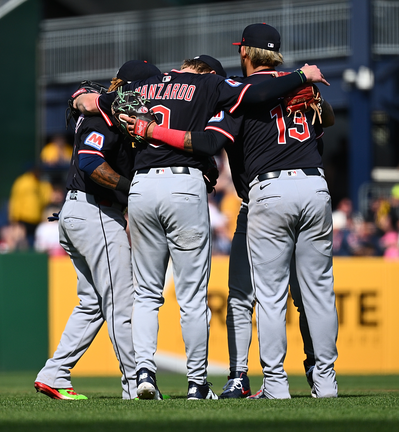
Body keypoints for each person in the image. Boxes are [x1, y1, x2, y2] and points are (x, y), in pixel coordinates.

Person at [72, 48, 330, 400]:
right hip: (186, 183)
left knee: (147, 294)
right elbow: (243, 107)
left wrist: (82, 100)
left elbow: (89, 102)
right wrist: (302, 77)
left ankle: (143, 374)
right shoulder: (211, 86)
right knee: (194, 297)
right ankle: (197, 384)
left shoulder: (146, 86)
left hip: (143, 185)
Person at [34, 60, 162, 401]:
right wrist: (133, 189)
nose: (153, 95)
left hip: (80, 213)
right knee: (122, 304)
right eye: (150, 88)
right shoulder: (104, 115)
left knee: (92, 303)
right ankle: (136, 384)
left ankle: (55, 373)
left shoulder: (105, 109)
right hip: (96, 213)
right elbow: (91, 162)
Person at [8, 165, 53, 247]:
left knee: (36, 244)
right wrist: (14, 218)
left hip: (37, 220)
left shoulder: (41, 183)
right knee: (21, 242)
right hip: (23, 219)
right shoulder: (23, 182)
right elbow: (15, 200)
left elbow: (45, 198)